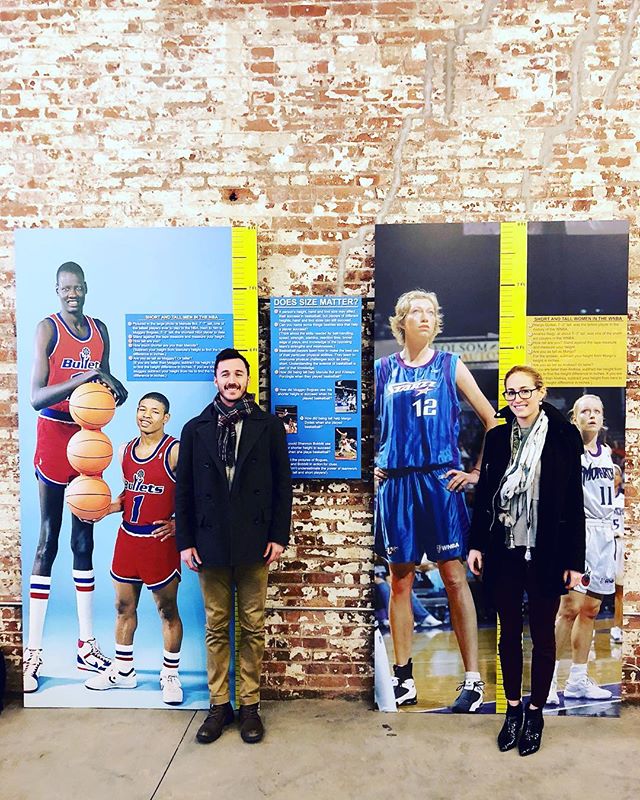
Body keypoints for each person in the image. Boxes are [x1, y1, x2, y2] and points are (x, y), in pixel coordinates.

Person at [374, 289, 496, 712]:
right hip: (398, 484)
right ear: (402, 321)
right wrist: (372, 460)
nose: (424, 317)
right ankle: (403, 677)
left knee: (454, 577)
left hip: (439, 481)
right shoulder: (383, 369)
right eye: (416, 312)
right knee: (401, 582)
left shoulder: (450, 365)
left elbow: (492, 420)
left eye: (430, 312)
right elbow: (357, 420)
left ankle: (473, 679)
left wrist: (477, 472)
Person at [175, 347, 292, 744]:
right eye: (225, 374)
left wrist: (278, 535)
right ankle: (219, 706)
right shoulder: (195, 429)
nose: (231, 380)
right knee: (215, 627)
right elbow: (184, 492)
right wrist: (185, 542)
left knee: (252, 626)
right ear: (215, 379)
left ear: (247, 379)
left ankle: (250, 707)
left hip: (255, 542)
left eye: (238, 374)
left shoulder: (269, 426)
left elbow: (282, 487)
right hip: (208, 544)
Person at [468, 365, 585, 756]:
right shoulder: (498, 437)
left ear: (540, 392)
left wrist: (574, 559)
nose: (517, 399)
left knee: (543, 636)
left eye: (524, 391)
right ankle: (513, 711)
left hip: (547, 551)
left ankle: (536, 713)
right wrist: (476, 544)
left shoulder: (563, 437)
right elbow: (486, 495)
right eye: (510, 393)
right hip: (504, 549)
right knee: (508, 635)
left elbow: (573, 501)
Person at [24, 261, 128, 693]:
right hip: (53, 436)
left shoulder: (99, 329)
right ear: (56, 289)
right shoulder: (47, 329)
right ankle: (34, 652)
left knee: (84, 539)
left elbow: (99, 388)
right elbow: (35, 397)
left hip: (88, 439)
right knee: (49, 538)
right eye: (65, 287)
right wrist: (82, 377)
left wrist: (113, 387)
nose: (72, 293)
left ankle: (86, 645)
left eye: (77, 287)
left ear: (86, 288)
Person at [85, 392, 183, 705]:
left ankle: (170, 674)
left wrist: (181, 523)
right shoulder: (126, 450)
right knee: (123, 608)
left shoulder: (175, 451)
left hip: (159, 542)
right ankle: (124, 672)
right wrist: (105, 507)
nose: (146, 415)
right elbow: (131, 494)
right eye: (142, 409)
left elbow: (198, 490)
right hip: (128, 539)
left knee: (167, 611)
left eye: (155, 411)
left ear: (165, 418)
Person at [547, 395, 617, 704]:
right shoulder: (567, 451)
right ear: (574, 418)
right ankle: (546, 680)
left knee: (590, 610)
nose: (592, 415)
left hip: (604, 535)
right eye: (585, 411)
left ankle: (577, 679)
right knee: (569, 608)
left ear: (603, 418)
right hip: (578, 531)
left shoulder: (608, 457)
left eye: (597, 411)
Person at [610, 465, 624, 644]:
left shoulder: (624, 500)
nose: (613, 476)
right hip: (604, 543)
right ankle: (586, 628)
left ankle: (617, 627)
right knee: (593, 591)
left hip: (620, 543)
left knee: (620, 591)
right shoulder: (599, 499)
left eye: (616, 474)